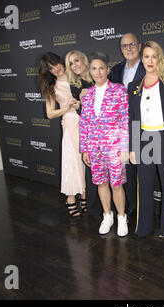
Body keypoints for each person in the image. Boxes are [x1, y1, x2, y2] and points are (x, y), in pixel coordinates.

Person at [128, 41, 164, 238]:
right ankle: (144, 227)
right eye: (146, 56)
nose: (150, 60)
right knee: (145, 185)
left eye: (153, 56)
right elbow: (132, 118)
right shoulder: (134, 86)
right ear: (142, 59)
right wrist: (133, 147)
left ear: (160, 58)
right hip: (142, 139)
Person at [80, 52, 130, 237]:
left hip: (115, 147)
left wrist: (124, 147)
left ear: (107, 70)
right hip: (94, 147)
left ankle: (122, 217)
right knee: (101, 183)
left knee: (116, 184)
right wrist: (84, 148)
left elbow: (125, 120)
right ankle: (107, 216)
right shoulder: (87, 95)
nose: (98, 72)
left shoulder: (119, 90)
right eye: (94, 68)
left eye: (101, 68)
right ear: (90, 71)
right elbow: (84, 123)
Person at [38, 52, 86, 217]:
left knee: (87, 159)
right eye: (51, 68)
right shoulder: (51, 86)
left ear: (61, 61)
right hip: (70, 123)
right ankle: (71, 198)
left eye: (56, 64)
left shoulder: (76, 75)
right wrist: (66, 107)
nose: (56, 69)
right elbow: (50, 113)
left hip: (86, 121)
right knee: (72, 161)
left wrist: (80, 102)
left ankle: (85, 195)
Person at [109, 33, 146, 216]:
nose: (128, 49)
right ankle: (132, 207)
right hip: (122, 129)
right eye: (124, 46)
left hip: (145, 126)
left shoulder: (148, 66)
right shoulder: (115, 70)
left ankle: (146, 209)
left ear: (139, 46)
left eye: (132, 44)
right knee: (128, 170)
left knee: (145, 169)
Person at [65, 50, 103, 216]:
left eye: (76, 61)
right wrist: (81, 103)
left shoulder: (98, 76)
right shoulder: (75, 86)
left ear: (84, 60)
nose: (74, 66)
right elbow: (82, 113)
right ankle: (94, 205)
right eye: (71, 64)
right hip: (90, 132)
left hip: (107, 131)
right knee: (93, 169)